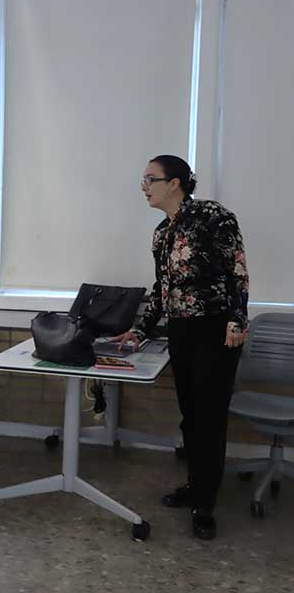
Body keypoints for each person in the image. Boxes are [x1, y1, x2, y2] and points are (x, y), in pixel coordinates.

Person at [114, 155, 249, 540]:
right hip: (181, 331)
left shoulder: (212, 216)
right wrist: (140, 330)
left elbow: (237, 271)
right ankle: (195, 485)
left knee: (209, 418)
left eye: (150, 179)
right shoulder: (161, 233)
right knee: (190, 415)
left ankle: (205, 505)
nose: (144, 187)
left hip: (216, 330)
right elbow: (163, 289)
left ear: (174, 183)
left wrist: (237, 320)